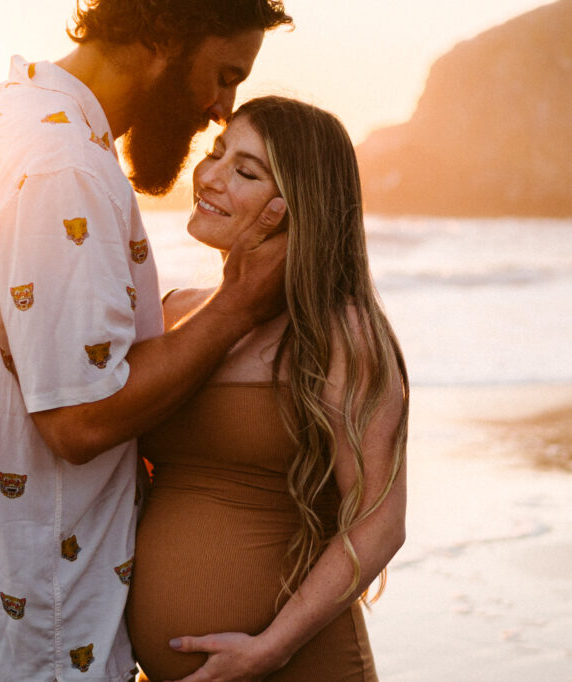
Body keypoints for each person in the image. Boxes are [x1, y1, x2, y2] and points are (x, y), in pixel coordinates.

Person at [0, 1, 293, 680]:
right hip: (44, 634)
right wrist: (238, 305)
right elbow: (80, 418)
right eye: (224, 74)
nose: (225, 107)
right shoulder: (64, 167)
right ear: (164, 33)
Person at [126, 96, 409, 681]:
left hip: (300, 665)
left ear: (294, 206)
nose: (209, 177)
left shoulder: (342, 335)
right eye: (216, 153)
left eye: (245, 172)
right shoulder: (174, 314)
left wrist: (271, 647)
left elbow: (380, 522)